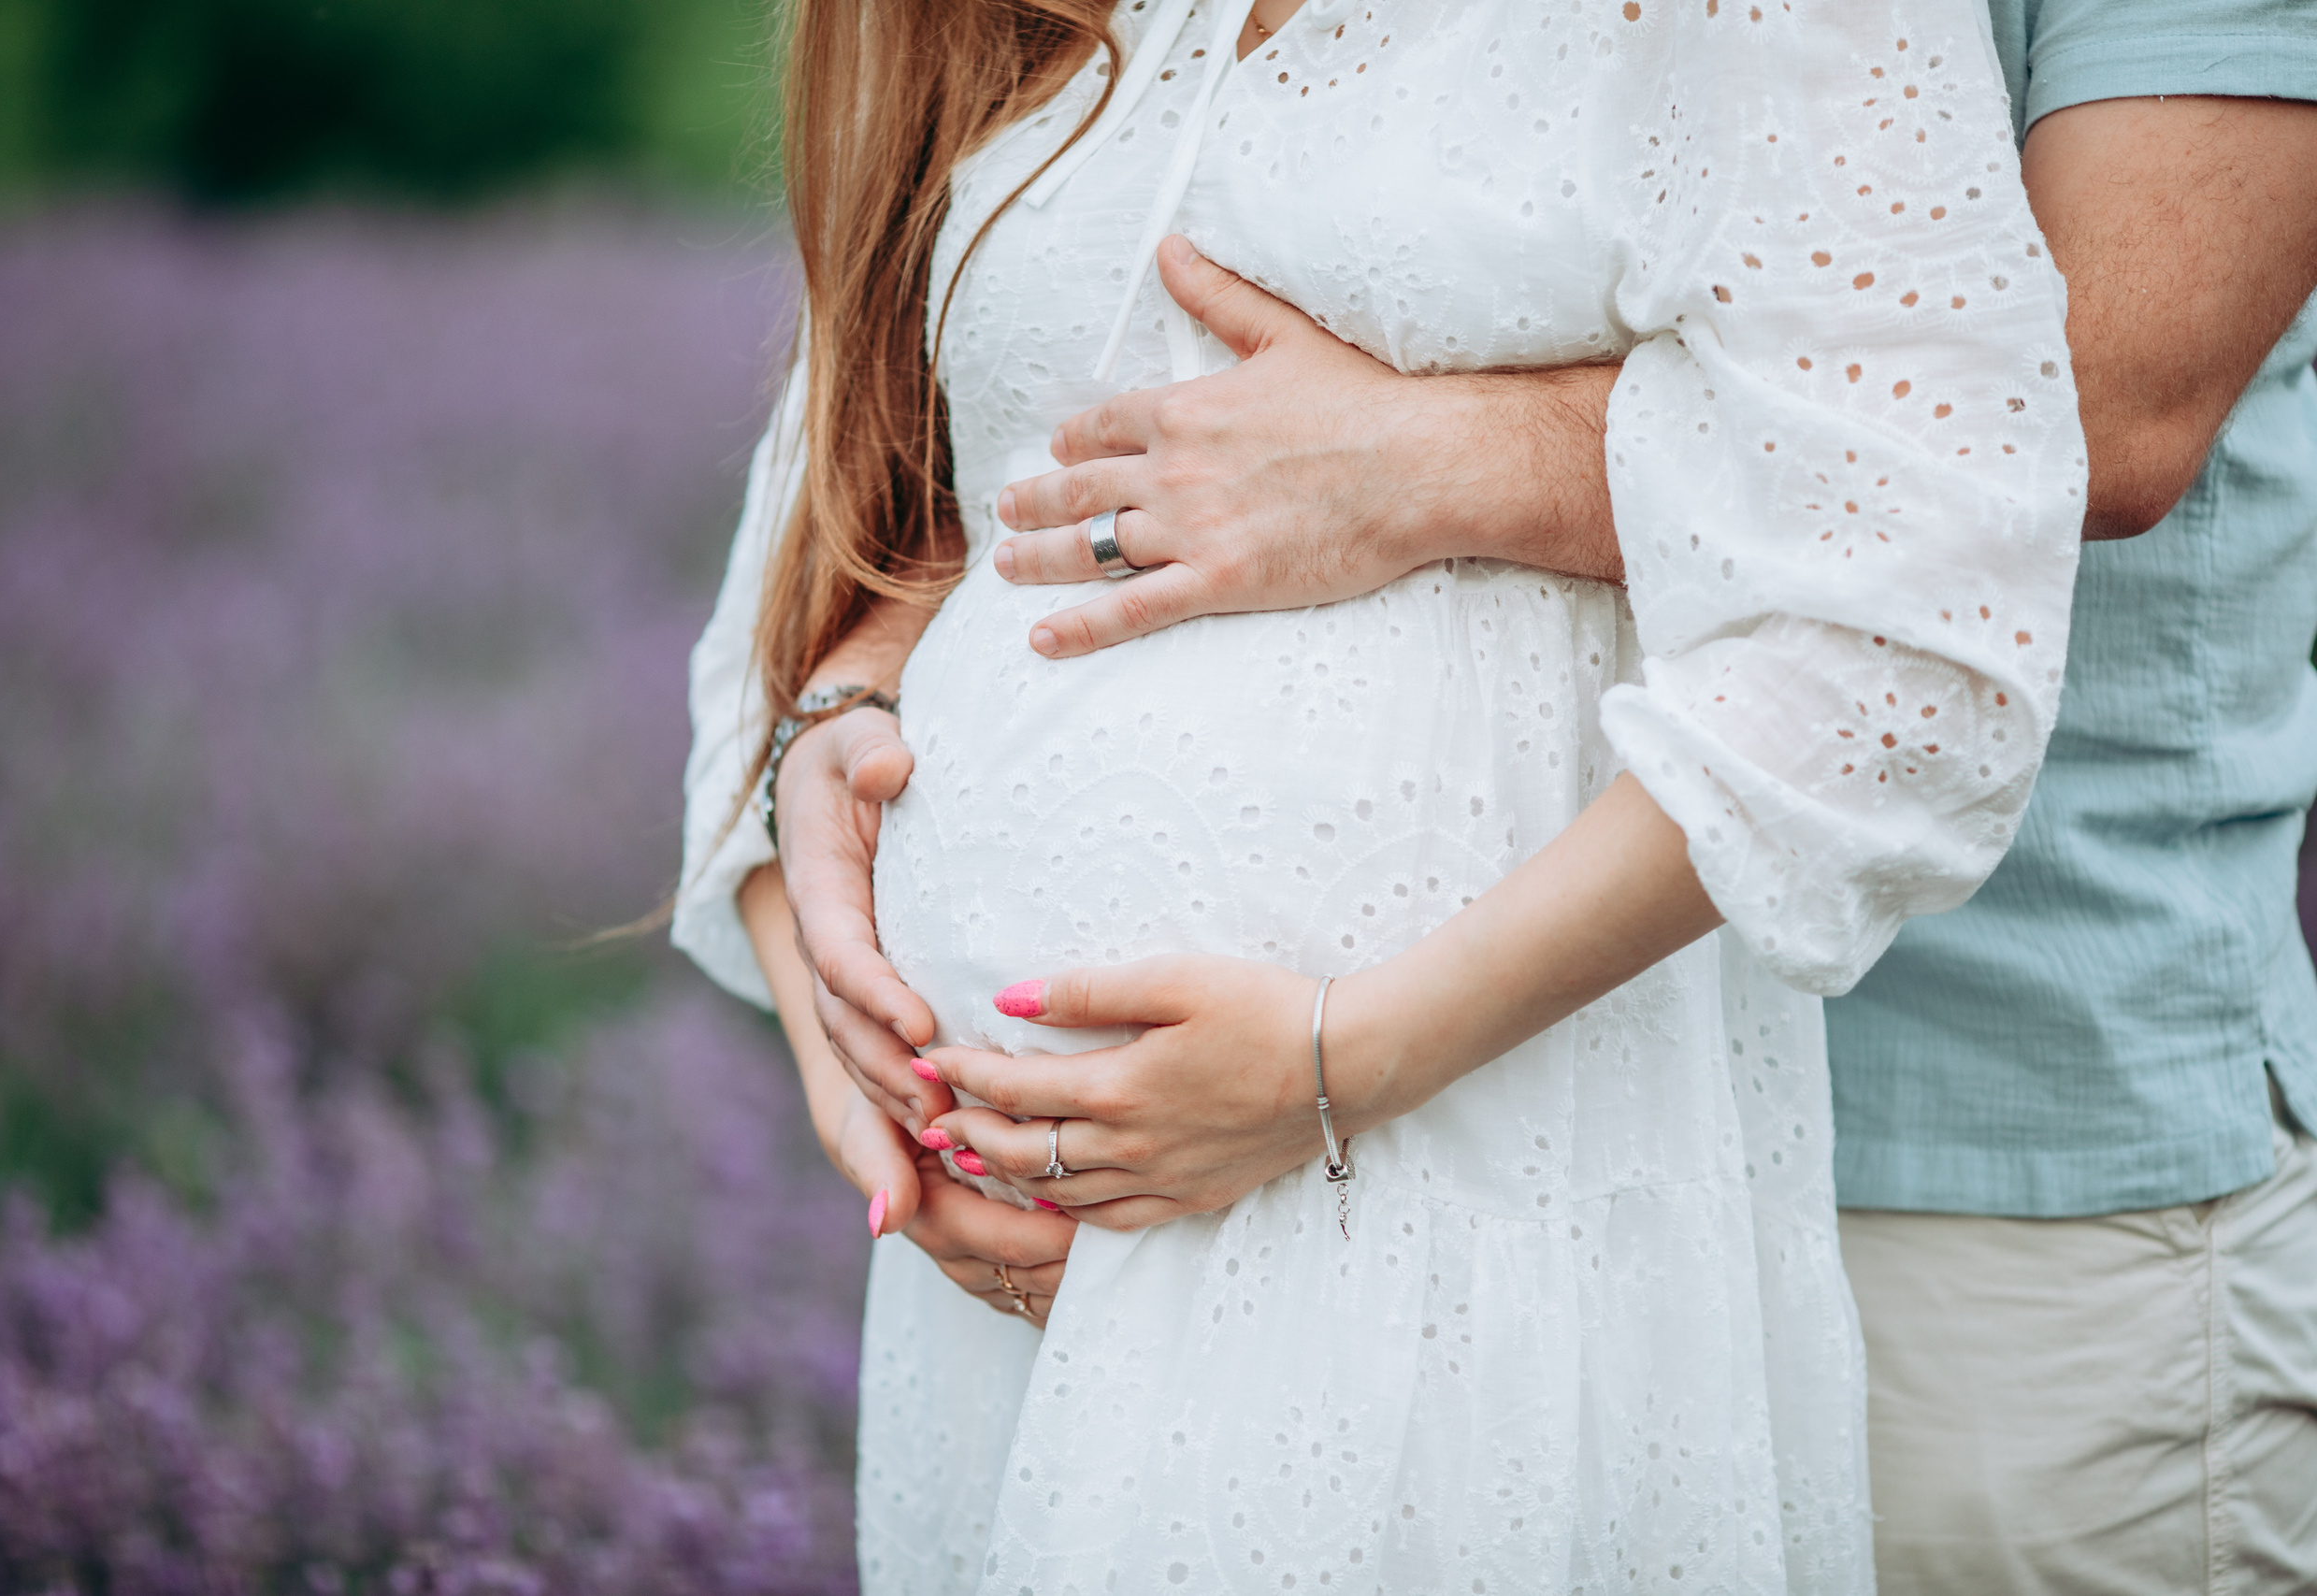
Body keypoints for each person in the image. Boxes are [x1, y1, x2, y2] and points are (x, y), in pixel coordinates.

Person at [720, 1, 2317, 1590]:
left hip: (1740, 1151)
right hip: (1040, 1263)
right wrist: (851, 971)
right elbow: (913, 448)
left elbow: (2033, 439)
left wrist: (1426, 469)